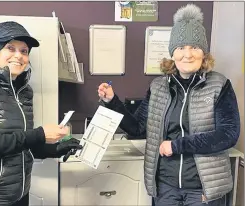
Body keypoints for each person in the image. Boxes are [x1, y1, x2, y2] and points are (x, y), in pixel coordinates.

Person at [98, 4, 240, 206]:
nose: (188, 54)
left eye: (195, 47)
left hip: (203, 188)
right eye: (181, 47)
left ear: (204, 53)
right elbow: (138, 128)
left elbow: (228, 134)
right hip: (165, 186)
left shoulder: (219, 85)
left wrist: (177, 146)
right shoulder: (158, 87)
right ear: (173, 52)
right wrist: (112, 101)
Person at [0, 21, 82, 206]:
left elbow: (22, 144)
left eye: (24, 51)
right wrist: (40, 134)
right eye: (10, 48)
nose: (18, 56)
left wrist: (57, 148)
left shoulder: (24, 91)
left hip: (18, 194)